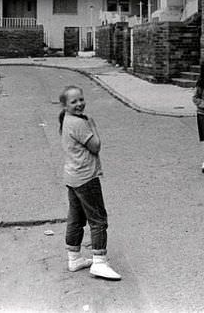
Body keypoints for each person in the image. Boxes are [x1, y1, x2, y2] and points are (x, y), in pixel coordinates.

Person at [58, 85, 122, 280]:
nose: (79, 104)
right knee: (98, 219)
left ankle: (74, 258)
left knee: (76, 218)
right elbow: (96, 146)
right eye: (74, 101)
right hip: (86, 177)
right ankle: (100, 262)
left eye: (81, 99)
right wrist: (92, 125)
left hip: (72, 176)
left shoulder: (67, 119)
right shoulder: (79, 123)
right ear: (65, 105)